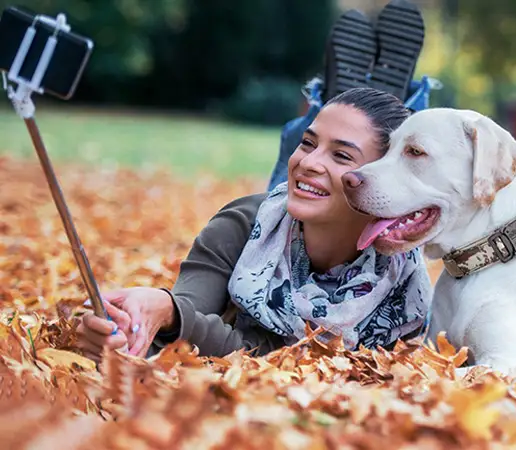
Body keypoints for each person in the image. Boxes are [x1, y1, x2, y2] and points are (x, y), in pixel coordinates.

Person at [76, 2, 437, 363]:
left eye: (342, 155)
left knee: (314, 167)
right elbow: (189, 311)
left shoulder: (401, 285)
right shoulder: (245, 222)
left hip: (354, 207)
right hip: (284, 219)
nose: (308, 160)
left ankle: (382, 98)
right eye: (308, 144)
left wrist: (177, 318)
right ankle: (349, 106)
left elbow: (277, 357)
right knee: (292, 175)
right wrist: (144, 319)